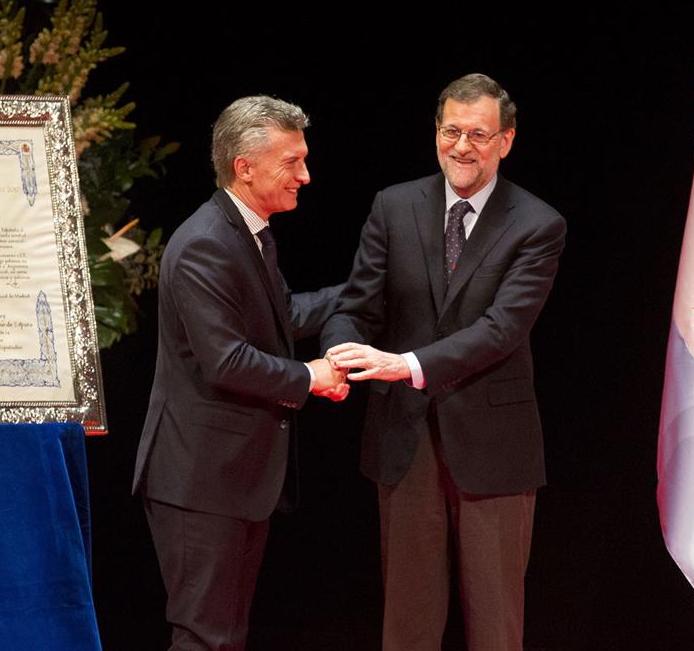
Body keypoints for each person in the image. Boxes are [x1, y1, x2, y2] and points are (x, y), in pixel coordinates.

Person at [324, 73, 566, 651]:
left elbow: (501, 330)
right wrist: (338, 353)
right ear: (436, 132)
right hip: (404, 442)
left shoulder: (538, 224)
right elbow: (356, 304)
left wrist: (405, 363)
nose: (462, 146)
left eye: (478, 134)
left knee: (495, 627)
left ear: (506, 140)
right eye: (451, 131)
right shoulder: (394, 204)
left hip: (494, 447)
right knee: (406, 625)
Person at [132, 95, 348, 651]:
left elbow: (283, 317)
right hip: (199, 480)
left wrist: (363, 290)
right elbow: (226, 360)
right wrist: (311, 377)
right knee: (205, 636)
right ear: (244, 167)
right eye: (292, 162)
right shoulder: (206, 243)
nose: (305, 175)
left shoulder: (247, 233)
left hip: (230, 478)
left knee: (225, 634)